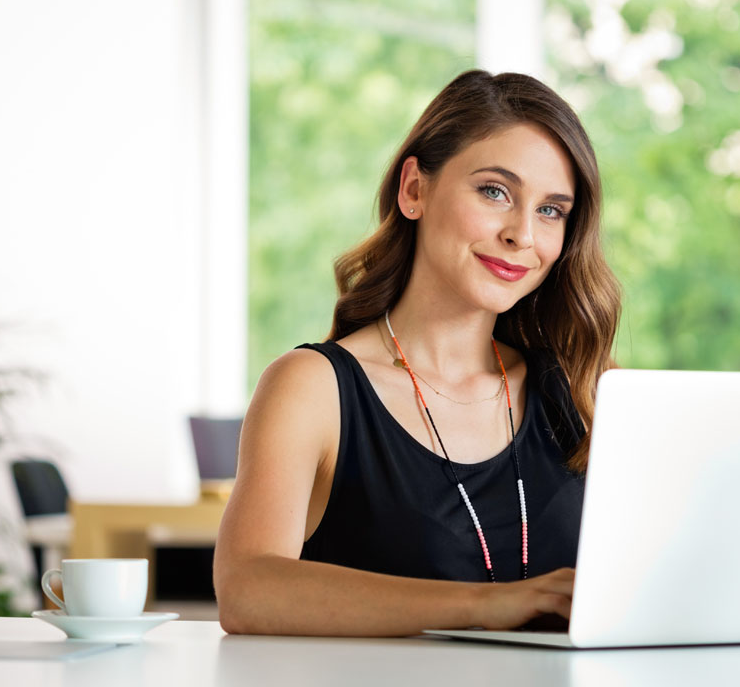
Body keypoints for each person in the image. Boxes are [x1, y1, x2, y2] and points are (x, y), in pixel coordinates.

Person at [213, 70, 621, 636]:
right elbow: (247, 589)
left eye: (551, 210)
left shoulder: (585, 387)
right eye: (495, 191)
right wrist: (490, 606)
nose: (523, 235)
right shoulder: (312, 387)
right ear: (414, 190)